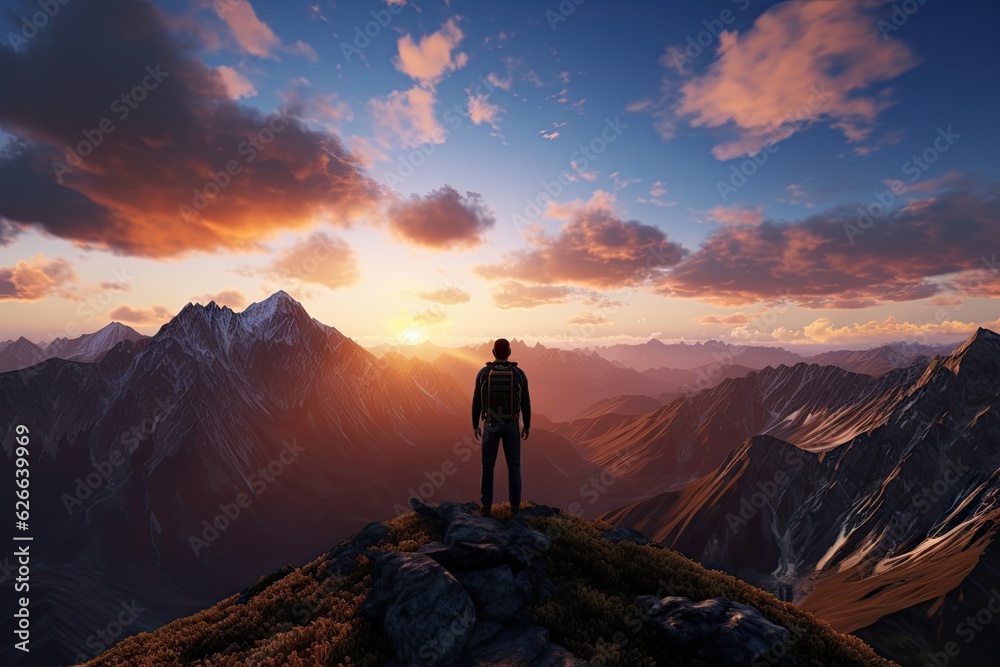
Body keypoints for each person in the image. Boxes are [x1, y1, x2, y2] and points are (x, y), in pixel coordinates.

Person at [471, 338, 530, 518]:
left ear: (493, 352)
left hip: (490, 425)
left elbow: (477, 401)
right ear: (510, 352)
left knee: (487, 466)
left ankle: (486, 507)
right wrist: (526, 425)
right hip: (512, 426)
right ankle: (514, 508)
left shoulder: (484, 373)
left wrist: (475, 425)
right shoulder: (519, 374)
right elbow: (525, 402)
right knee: (514, 466)